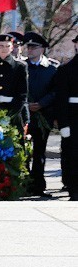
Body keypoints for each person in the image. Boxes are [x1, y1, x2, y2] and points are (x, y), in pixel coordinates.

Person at [23, 31, 57, 197]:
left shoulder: (51, 69)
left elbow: (56, 91)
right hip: (25, 115)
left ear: (42, 49)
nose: (30, 50)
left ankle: (38, 185)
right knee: (23, 150)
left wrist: (41, 103)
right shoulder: (22, 66)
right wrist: (27, 105)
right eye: (28, 47)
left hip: (44, 115)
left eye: (34, 47)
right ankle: (23, 183)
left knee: (39, 152)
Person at [55, 33, 78, 200]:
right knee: (73, 155)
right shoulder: (66, 69)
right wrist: (63, 124)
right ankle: (74, 189)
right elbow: (61, 100)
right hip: (74, 118)